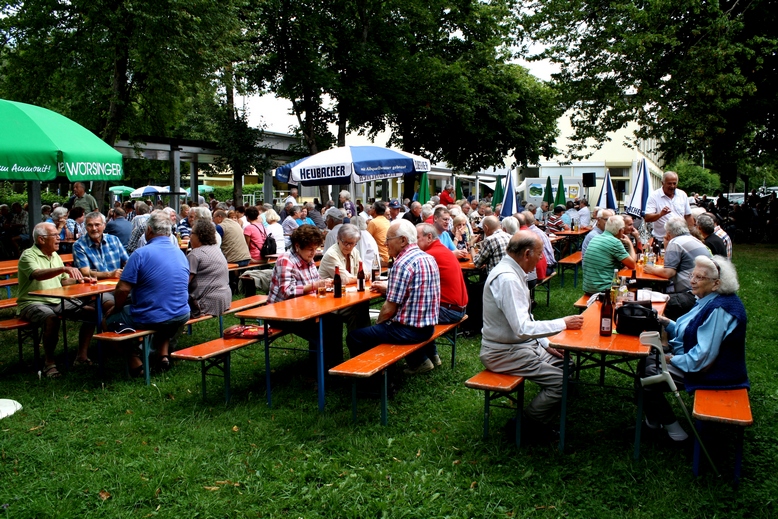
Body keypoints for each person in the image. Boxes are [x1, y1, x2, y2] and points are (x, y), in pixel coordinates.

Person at [480, 231, 584, 434]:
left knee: (567, 363)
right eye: (540, 253)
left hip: (520, 347)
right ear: (527, 254)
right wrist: (563, 323)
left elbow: (526, 319)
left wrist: (546, 344)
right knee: (561, 382)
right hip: (502, 353)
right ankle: (526, 424)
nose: (542, 257)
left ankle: (544, 411)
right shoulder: (508, 279)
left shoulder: (514, 272)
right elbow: (522, 328)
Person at [640, 256, 748, 442]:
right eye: (692, 275)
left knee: (648, 376)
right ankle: (653, 421)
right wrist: (666, 322)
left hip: (717, 372)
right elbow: (691, 330)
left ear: (716, 284)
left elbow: (702, 358)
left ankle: (675, 432)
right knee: (646, 361)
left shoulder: (719, 309)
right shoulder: (710, 300)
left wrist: (671, 359)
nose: (692, 281)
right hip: (704, 362)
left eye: (700, 277)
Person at [347, 219, 440, 374]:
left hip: (410, 331)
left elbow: (389, 309)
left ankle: (367, 376)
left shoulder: (402, 263)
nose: (385, 244)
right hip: (428, 328)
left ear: (403, 240)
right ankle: (419, 360)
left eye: (388, 239)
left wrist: (378, 326)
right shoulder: (428, 258)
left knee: (355, 336)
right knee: (378, 330)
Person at [105, 211, 190, 375]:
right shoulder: (180, 253)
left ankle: (135, 362)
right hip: (181, 313)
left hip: (154, 315)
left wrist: (117, 307)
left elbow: (123, 289)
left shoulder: (140, 254)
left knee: (109, 320)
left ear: (149, 230)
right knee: (164, 316)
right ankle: (162, 356)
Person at [17, 223, 96, 377]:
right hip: (32, 302)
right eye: (54, 235)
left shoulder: (54, 255)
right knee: (51, 318)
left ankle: (81, 356)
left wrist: (80, 280)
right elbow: (37, 274)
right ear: (41, 239)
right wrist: (63, 269)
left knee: (92, 313)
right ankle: (49, 363)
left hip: (57, 300)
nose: (59, 238)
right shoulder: (28, 255)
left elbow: (64, 281)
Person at [267, 225, 343, 367]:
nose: (313, 253)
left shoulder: (308, 259)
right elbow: (287, 291)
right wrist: (315, 286)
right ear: (297, 246)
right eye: (310, 249)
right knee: (322, 326)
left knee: (335, 321)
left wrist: (325, 285)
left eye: (315, 249)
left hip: (304, 308)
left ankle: (335, 364)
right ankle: (319, 368)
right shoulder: (286, 260)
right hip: (281, 313)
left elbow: (315, 282)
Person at [416, 223, 468, 368]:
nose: (414, 242)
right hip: (458, 308)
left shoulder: (429, 255)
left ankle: (420, 361)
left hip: (449, 311)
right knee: (420, 311)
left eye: (417, 238)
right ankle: (432, 355)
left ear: (429, 237)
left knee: (408, 314)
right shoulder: (443, 250)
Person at [644, 217, 711, 320]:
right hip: (705, 293)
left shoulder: (675, 242)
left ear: (668, 233)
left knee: (653, 304)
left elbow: (669, 272)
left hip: (691, 294)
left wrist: (651, 269)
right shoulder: (694, 239)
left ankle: (666, 328)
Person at [581, 215, 637, 295]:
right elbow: (632, 264)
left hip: (588, 288)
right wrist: (630, 243)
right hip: (605, 290)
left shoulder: (595, 238)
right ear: (620, 230)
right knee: (634, 289)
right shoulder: (615, 242)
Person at [187, 219, 231, 318]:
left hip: (205, 304)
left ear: (199, 235)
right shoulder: (216, 249)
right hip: (225, 300)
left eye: (192, 233)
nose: (190, 236)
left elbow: (184, 282)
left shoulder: (195, 254)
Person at [72, 211, 128, 281]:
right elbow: (85, 272)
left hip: (117, 283)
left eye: (97, 225)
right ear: (85, 227)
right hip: (96, 285)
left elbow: (127, 262)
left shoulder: (114, 240)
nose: (94, 228)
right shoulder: (79, 245)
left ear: (104, 225)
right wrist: (110, 274)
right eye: (90, 225)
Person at [644, 171, 695, 247]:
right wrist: (660, 214)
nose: (672, 186)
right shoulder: (654, 196)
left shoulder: (682, 195)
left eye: (674, 183)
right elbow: (647, 218)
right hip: (661, 240)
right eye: (669, 183)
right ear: (662, 183)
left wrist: (691, 234)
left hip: (680, 239)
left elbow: (688, 216)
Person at [367, 201, 391, 266]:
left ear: (374, 210)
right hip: (389, 257)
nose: (370, 209)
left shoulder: (373, 222)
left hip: (381, 258)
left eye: (371, 207)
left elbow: (366, 240)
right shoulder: (387, 221)